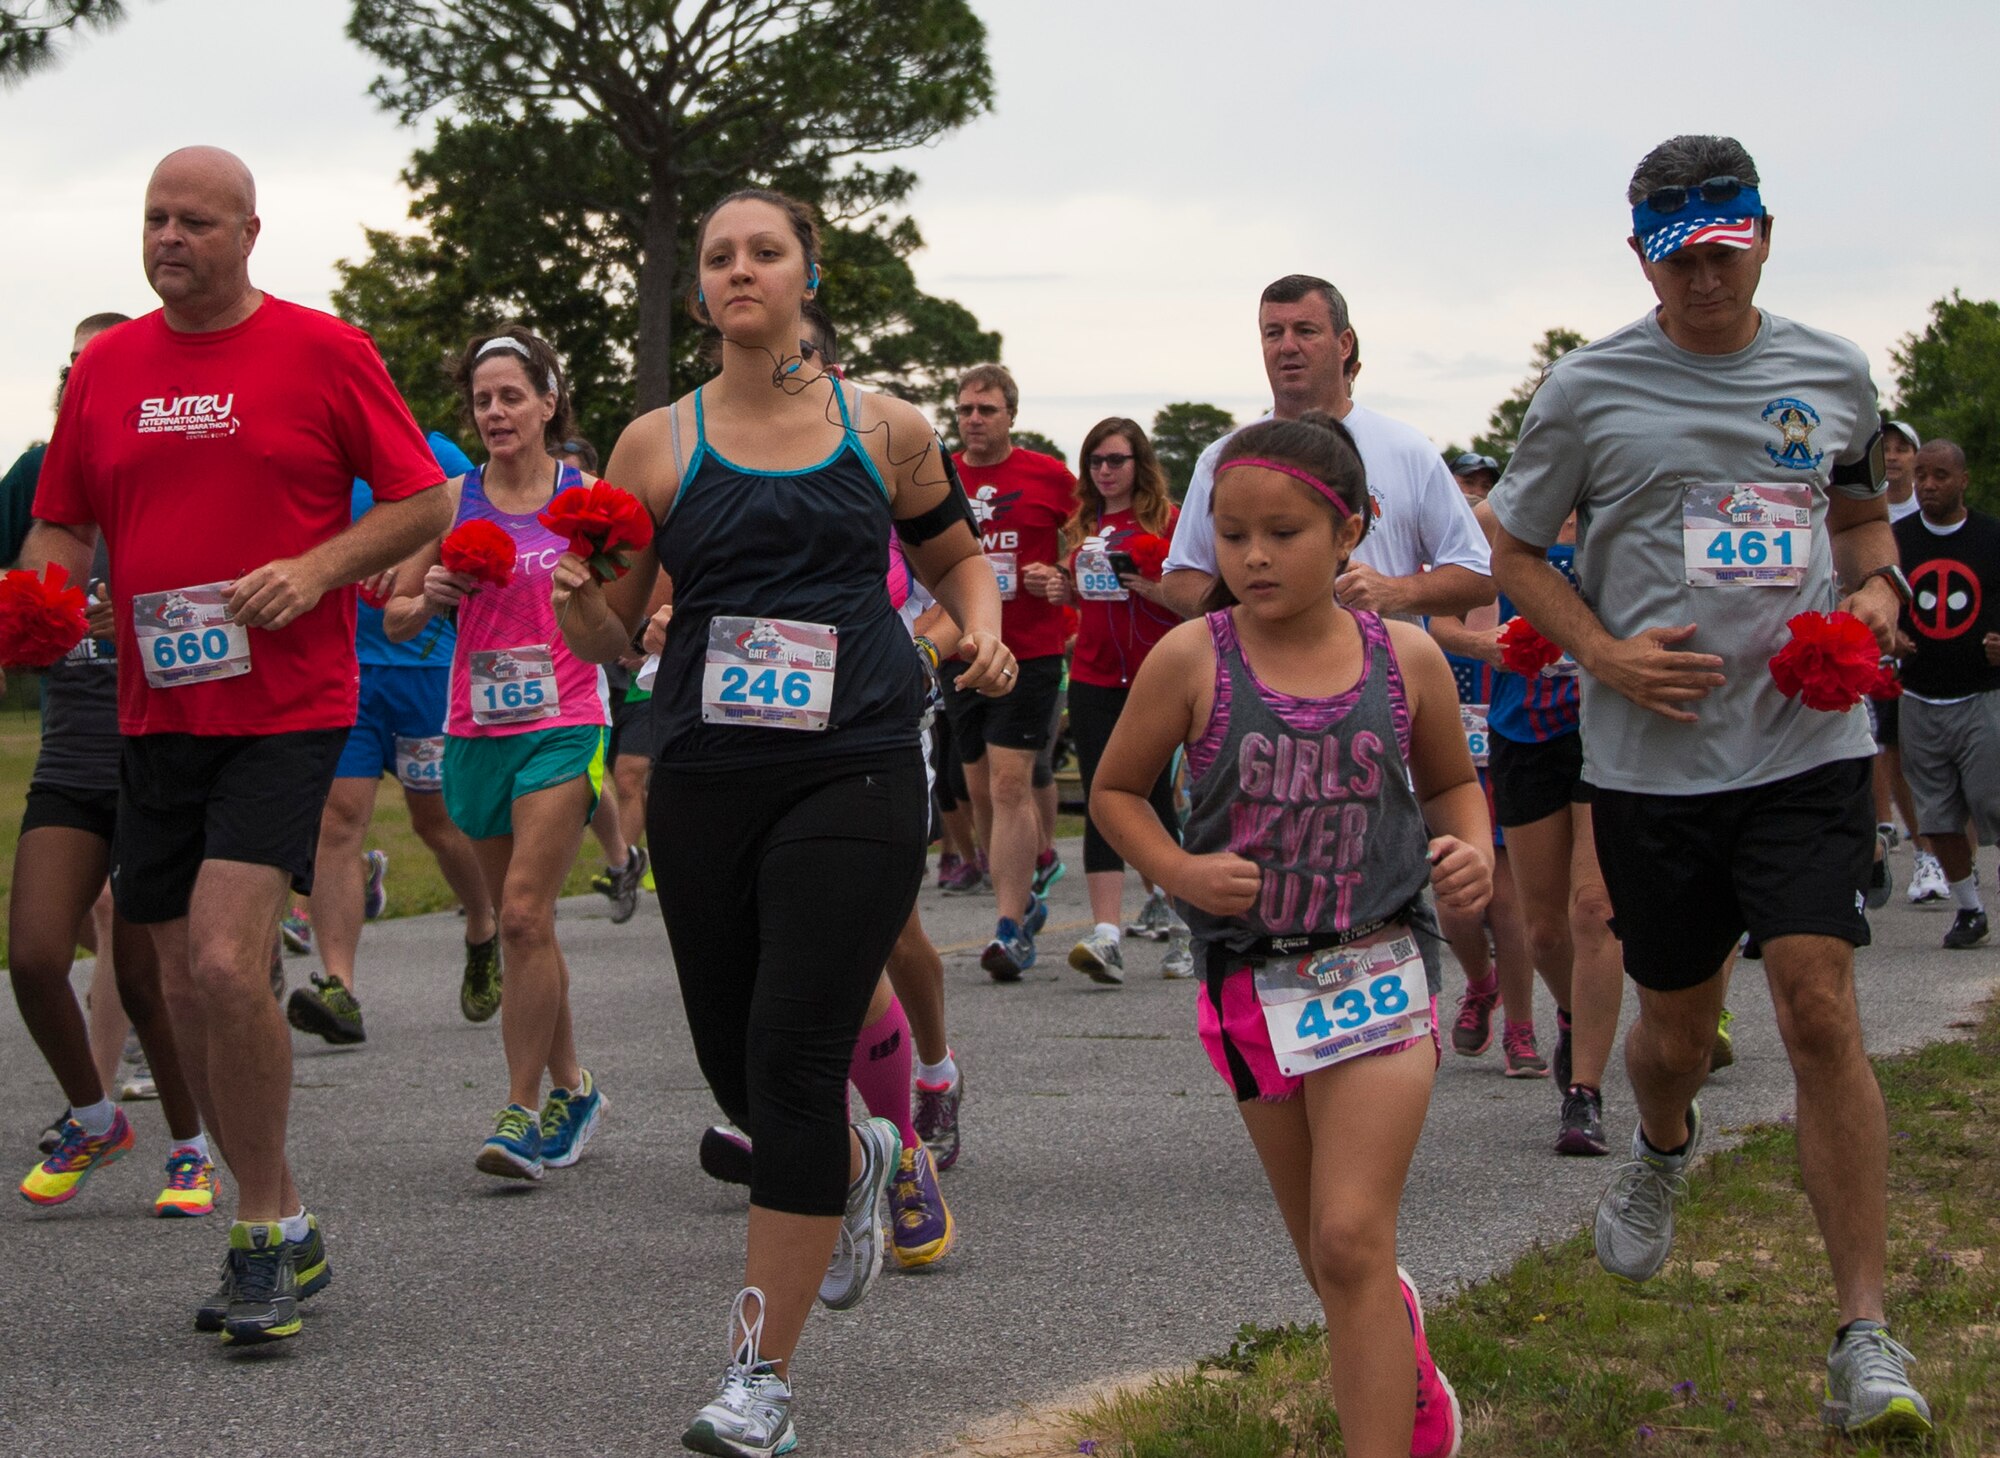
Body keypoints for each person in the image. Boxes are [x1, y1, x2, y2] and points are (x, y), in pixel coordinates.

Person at [550, 186, 1011, 1457]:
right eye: (718, 258)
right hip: (706, 766)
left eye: (764, 250)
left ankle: (759, 1378)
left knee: (796, 1056)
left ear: (807, 272)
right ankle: (860, 1163)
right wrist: (577, 590)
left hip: (856, 759)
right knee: (737, 1070)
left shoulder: (885, 426)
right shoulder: (655, 445)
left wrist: (980, 625)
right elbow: (607, 636)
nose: (741, 271)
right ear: (700, 291)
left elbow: (954, 556)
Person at [1488, 134, 1931, 1437]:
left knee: (1817, 1008)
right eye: (1680, 259)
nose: (1705, 281)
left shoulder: (1832, 373)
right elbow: (1511, 547)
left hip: (1806, 750)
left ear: (1766, 239)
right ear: (1640, 259)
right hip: (1651, 770)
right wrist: (1603, 648)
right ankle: (1663, 1147)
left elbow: (1858, 521)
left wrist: (1872, 592)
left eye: (1726, 253)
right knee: (1675, 1040)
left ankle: (1865, 1329)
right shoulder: (1587, 390)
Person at [23, 146, 452, 1344]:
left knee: (221, 962)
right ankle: (287, 1216)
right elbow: (62, 519)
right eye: (154, 217)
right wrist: (45, 603)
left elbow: (424, 501)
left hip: (288, 703)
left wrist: (316, 570)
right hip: (153, 711)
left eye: (195, 221)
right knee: (164, 977)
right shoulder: (107, 368)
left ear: (249, 233)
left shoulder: (321, 350)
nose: (169, 237)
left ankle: (257, 1228)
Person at [1094, 412, 1488, 1458]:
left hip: (1380, 960)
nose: (1253, 557)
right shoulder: (1190, 658)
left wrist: (1471, 850)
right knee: (1327, 1254)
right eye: (1230, 535)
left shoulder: (1404, 657)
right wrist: (1176, 869)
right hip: (1250, 983)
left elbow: (1451, 782)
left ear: (1348, 530)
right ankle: (1395, 1352)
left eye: (1281, 533)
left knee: (1351, 1237)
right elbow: (1114, 793)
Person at [383, 325, 609, 1182]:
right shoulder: (447, 499)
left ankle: (518, 1114)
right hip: (475, 729)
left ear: (549, 402)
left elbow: (638, 593)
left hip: (567, 720)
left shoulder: (590, 496)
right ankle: (572, 1088)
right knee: (529, 929)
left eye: (513, 395)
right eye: (484, 399)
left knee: (519, 912)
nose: (496, 412)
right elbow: (396, 615)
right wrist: (431, 593)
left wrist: (601, 595)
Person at [11, 310, 214, 1218]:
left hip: (151, 752)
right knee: (33, 954)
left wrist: (133, 619)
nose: (84, 385)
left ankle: (191, 1145)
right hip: (69, 753)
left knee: (142, 974)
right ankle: (96, 1118)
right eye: (74, 371)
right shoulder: (34, 477)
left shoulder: (164, 469)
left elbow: (218, 599)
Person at [283, 431, 503, 1044]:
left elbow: (484, 525)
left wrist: (420, 555)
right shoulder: (315, 457)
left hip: (425, 670)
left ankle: (483, 926)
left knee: (436, 821)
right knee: (337, 820)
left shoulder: (434, 453)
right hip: (343, 667)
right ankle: (339, 986)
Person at [1160, 274, 1494, 622]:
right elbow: (1180, 577)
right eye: (1273, 333)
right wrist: (1253, 614)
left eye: (1305, 331)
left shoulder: (1407, 450)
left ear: (1344, 343)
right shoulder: (1224, 459)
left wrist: (1394, 592)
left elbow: (1479, 576)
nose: (1288, 346)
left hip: (1382, 667)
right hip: (1259, 671)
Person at [1019, 417, 1191, 983]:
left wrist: (1152, 583)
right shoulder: (1083, 524)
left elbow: (1199, 601)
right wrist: (1060, 587)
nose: (1106, 471)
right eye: (1096, 461)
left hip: (1155, 675)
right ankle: (1107, 935)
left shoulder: (1169, 521)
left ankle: (1189, 925)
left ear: (1139, 464)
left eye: (1116, 460)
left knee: (1157, 800)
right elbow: (1086, 597)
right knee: (1100, 796)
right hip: (1093, 675)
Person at [946, 364, 1077, 979]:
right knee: (978, 791)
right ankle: (1030, 875)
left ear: (1010, 416)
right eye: (967, 409)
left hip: (1030, 650)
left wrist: (1061, 578)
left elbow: (1087, 543)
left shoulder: (1048, 477)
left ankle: (1009, 926)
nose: (975, 420)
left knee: (1008, 784)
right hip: (961, 650)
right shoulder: (938, 473)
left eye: (987, 410)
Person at [1892, 440, 2000, 949]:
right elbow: (1870, 599)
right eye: (1921, 476)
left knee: (1991, 803)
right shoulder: (1897, 541)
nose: (1928, 485)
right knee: (1936, 817)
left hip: (1982, 697)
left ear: (1963, 481)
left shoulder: (1990, 538)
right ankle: (1970, 910)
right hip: (1919, 698)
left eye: (1939, 475)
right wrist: (1887, 634)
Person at [1876, 420, 1944, 902]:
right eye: (1887, 448)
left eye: (1904, 448)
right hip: (1883, 642)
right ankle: (1909, 840)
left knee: (1946, 759)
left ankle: (1950, 850)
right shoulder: (1863, 507)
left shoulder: (1933, 511)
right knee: (1890, 744)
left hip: (1938, 641)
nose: (1895, 457)